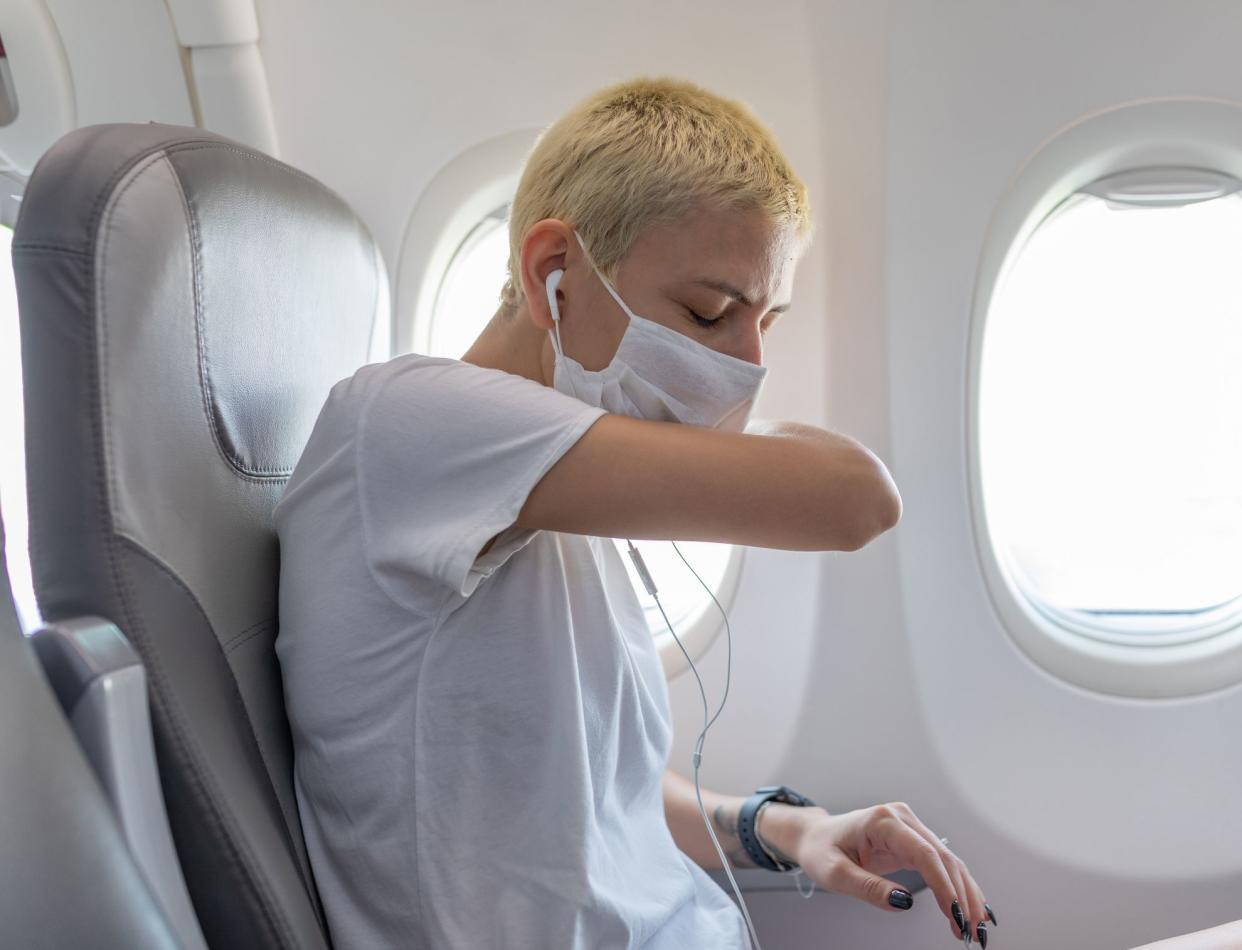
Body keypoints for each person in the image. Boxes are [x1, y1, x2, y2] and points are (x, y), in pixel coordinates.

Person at [274, 76, 994, 949]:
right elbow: (858, 498)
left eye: (767, 320)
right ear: (553, 274)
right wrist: (715, 438)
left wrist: (788, 830)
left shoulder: (559, 501)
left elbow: (594, 786)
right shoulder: (405, 421)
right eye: (710, 311)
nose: (749, 365)